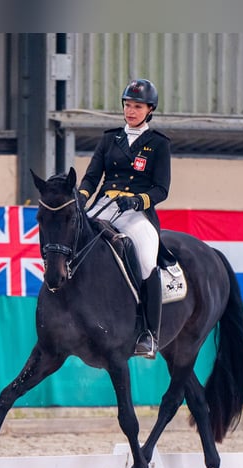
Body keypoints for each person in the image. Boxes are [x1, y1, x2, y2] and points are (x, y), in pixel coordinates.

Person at [77, 78, 171, 359]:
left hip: (136, 212)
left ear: (149, 109)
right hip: (104, 204)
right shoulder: (109, 139)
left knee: (145, 260)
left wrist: (138, 200)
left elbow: (161, 189)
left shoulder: (158, 144)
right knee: (72, 240)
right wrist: (81, 199)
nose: (131, 111)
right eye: (128, 105)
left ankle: (148, 333)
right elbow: (92, 176)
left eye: (137, 106)